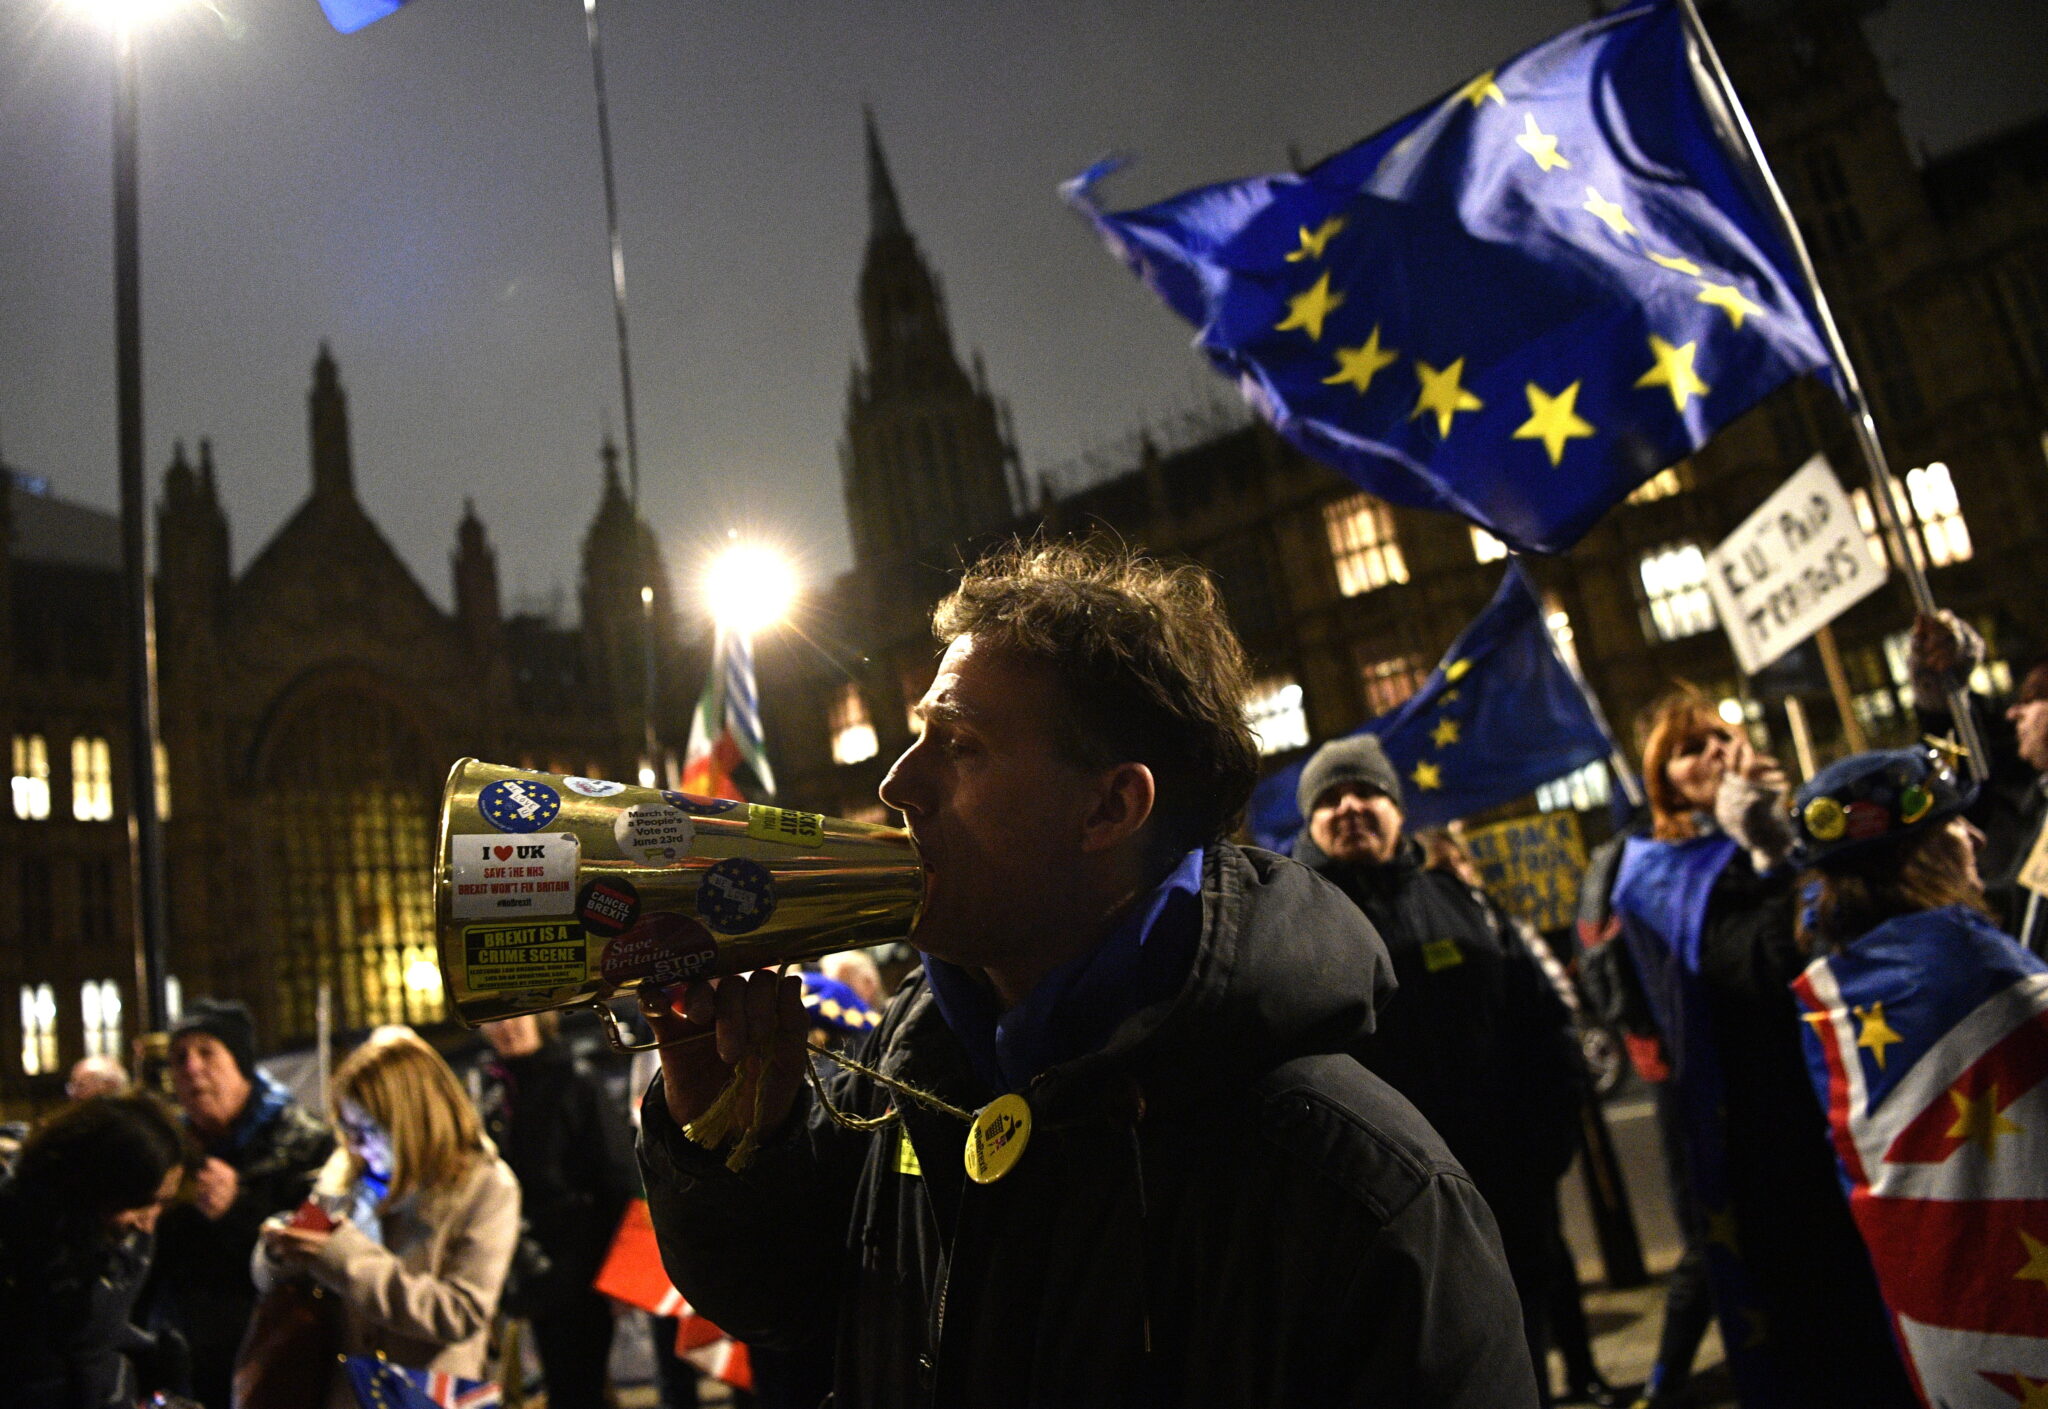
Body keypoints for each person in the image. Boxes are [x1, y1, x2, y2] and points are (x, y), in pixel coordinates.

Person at [635, 540, 1536, 1407]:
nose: (897, 783)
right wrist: (723, 1141)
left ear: (1110, 805)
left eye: (960, 744)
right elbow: (776, 1301)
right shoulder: (912, 1076)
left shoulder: (1367, 1193)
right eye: (919, 736)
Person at [1608, 692, 1917, 1407]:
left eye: (1720, 735)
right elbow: (1754, 967)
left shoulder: (1803, 823)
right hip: (1765, 1125)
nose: (1714, 753)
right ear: (1664, 782)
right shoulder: (1657, 870)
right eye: (1690, 749)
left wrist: (1790, 837)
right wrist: (1767, 854)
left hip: (1854, 1097)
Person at [1294, 739, 1584, 1407]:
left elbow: (1543, 1025)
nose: (1349, 807)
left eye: (1364, 792)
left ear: (1396, 808)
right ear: (1309, 821)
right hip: (1371, 1207)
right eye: (1330, 798)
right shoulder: (1296, 918)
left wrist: (1545, 1147)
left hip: (1503, 1185)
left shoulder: (1463, 903)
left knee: (1516, 1357)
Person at [1785, 745, 2048, 1403]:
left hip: (1949, 1319)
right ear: (1925, 851)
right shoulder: (1967, 957)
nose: (1978, 838)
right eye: (1958, 825)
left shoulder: (1840, 986)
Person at [255, 1026, 520, 1409]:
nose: (354, 1144)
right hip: (346, 1391)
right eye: (347, 1130)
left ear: (411, 1120)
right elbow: (273, 1278)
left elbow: (460, 1315)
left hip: (427, 1393)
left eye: (365, 1129)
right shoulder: (345, 1172)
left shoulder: (487, 1187)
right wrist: (279, 1253)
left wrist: (344, 1257)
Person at [141, 998, 333, 1409]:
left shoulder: (306, 1143)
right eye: (179, 1058)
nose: (191, 1067)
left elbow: (319, 1254)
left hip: (279, 1363)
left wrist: (237, 1210)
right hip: (189, 1370)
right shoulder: (167, 1154)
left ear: (241, 1063)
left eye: (206, 1052)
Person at [475, 1012, 639, 1409]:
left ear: (541, 1018)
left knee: (578, 1386)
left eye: (517, 1016)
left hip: (581, 1262)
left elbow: (617, 1179)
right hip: (531, 1266)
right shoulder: (496, 1086)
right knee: (564, 1384)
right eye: (495, 1019)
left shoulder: (575, 1079)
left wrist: (619, 1272)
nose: (506, 1027)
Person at [0, 1095, 190, 1408]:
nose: (149, 1223)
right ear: (94, 1187)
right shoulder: (20, 1252)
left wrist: (153, 1358)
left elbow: (100, 1339)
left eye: (163, 1202)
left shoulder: (122, 1248)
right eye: (140, 1202)